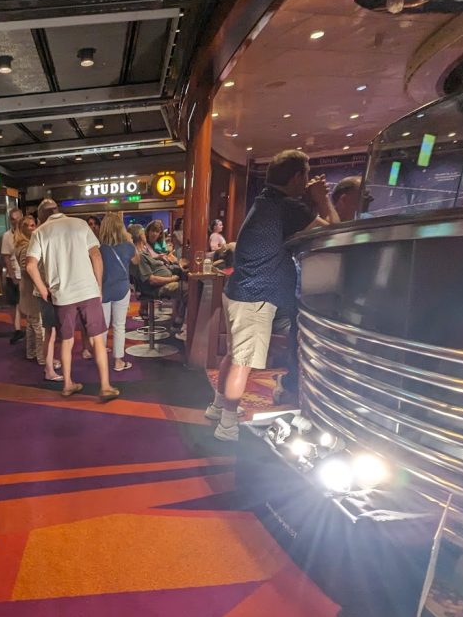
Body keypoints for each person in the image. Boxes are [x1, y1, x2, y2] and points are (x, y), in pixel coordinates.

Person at [207, 149, 338, 441]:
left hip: (241, 291)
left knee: (235, 354)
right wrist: (321, 199)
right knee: (243, 360)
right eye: (304, 177)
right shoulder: (285, 207)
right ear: (297, 177)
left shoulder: (267, 201)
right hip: (255, 296)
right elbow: (335, 235)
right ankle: (227, 426)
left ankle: (219, 408)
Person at [25, 198, 119, 401]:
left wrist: (43, 290)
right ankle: (105, 385)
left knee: (65, 341)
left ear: (41, 216)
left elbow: (30, 265)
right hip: (88, 291)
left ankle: (67, 383)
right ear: (58, 210)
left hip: (62, 295)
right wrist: (99, 287)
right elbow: (96, 256)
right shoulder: (80, 224)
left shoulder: (40, 232)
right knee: (97, 340)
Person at [15, 215, 60, 379]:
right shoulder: (26, 246)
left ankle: (31, 352)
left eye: (33, 225)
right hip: (31, 290)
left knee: (31, 325)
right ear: (22, 228)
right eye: (27, 226)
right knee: (39, 327)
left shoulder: (23, 244)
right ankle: (43, 358)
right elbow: (28, 269)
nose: (32, 228)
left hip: (28, 289)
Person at [99, 212, 138, 372]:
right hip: (122, 288)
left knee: (102, 326)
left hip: (103, 289)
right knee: (119, 326)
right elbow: (137, 261)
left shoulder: (98, 248)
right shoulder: (127, 246)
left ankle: (100, 360)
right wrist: (130, 241)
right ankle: (118, 361)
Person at [137, 235, 186, 333]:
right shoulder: (141, 255)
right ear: (139, 237)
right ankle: (181, 322)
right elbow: (152, 280)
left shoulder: (145, 252)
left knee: (187, 283)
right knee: (189, 288)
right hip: (155, 288)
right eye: (142, 233)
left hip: (162, 282)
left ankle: (180, 319)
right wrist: (172, 279)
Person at [1, 207, 25, 344]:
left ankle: (33, 329)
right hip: (14, 276)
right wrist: (12, 276)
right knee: (15, 303)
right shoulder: (6, 236)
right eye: (13, 220)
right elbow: (6, 258)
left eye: (18, 219)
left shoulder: (30, 233)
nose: (16, 222)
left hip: (27, 274)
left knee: (28, 304)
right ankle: (17, 330)